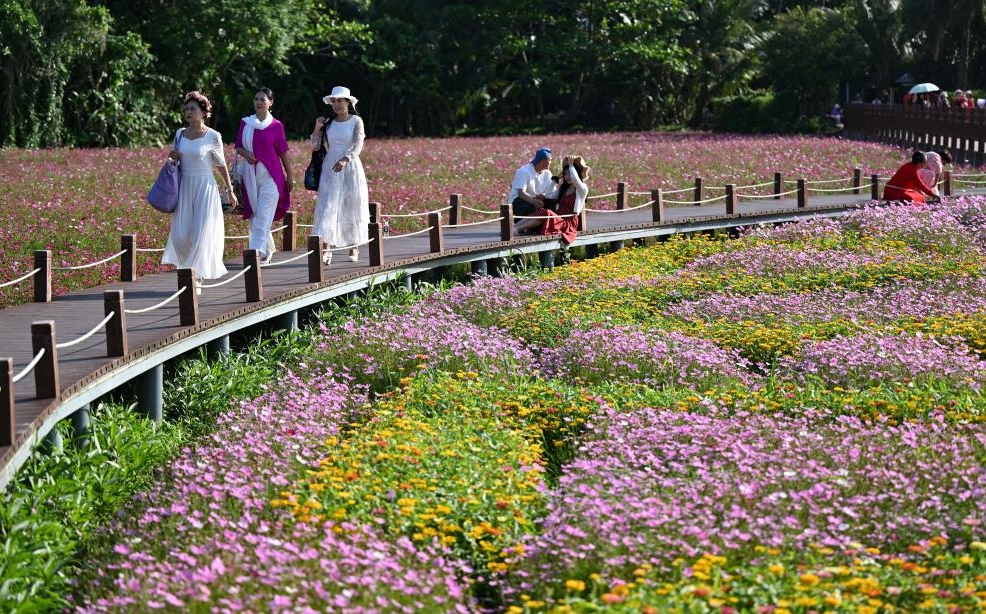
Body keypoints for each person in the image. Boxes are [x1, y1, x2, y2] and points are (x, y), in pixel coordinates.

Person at [162, 91, 235, 288]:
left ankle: (197, 277)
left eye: (193, 109)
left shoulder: (213, 136)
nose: (188, 112)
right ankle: (189, 268)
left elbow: (220, 165)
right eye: (186, 109)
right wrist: (171, 157)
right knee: (180, 235)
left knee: (201, 232)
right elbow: (172, 162)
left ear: (204, 112)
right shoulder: (180, 134)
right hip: (184, 187)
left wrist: (230, 189)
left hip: (205, 188)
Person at [233, 87, 293, 265]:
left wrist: (290, 176)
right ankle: (268, 249)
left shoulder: (276, 126)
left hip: (272, 178)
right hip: (249, 176)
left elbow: (283, 153)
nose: (259, 102)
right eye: (256, 99)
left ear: (270, 103)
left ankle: (255, 254)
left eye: (263, 99)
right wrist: (246, 154)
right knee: (255, 215)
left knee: (263, 215)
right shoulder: (246, 123)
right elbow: (237, 146)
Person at [310, 86, 368, 264]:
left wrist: (346, 159)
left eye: (339, 101)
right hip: (330, 166)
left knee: (351, 204)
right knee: (328, 204)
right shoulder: (328, 122)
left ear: (348, 102)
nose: (336, 104)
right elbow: (315, 146)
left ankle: (354, 245)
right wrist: (317, 128)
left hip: (350, 167)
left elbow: (358, 145)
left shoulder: (356, 121)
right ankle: (326, 248)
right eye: (333, 101)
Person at [515, 155, 590, 244]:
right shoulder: (564, 188)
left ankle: (518, 229)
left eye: (570, 174)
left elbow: (576, 180)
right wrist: (554, 181)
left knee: (547, 213)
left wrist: (571, 165)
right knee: (542, 211)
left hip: (568, 223)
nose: (568, 177)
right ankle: (514, 227)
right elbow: (549, 194)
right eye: (566, 174)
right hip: (558, 218)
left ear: (577, 174)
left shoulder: (582, 189)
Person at [508, 147, 555, 226]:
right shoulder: (524, 171)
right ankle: (518, 226)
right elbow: (521, 193)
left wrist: (543, 195)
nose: (551, 162)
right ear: (543, 160)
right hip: (519, 201)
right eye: (549, 160)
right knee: (534, 208)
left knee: (553, 203)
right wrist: (534, 201)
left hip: (536, 200)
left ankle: (533, 226)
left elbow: (549, 191)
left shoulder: (547, 173)